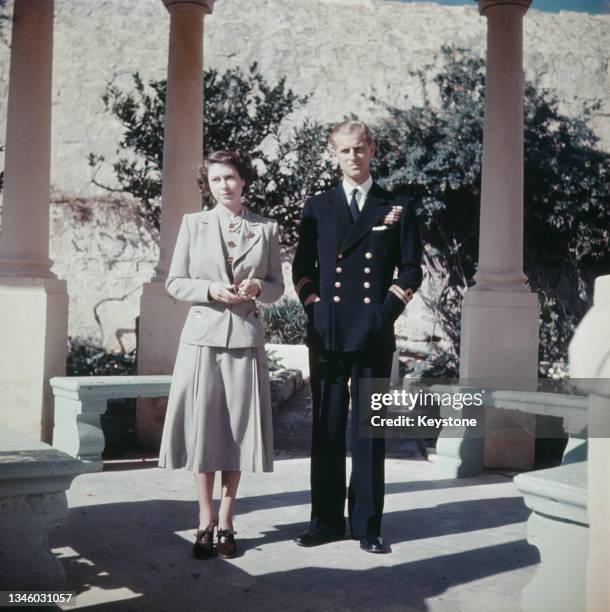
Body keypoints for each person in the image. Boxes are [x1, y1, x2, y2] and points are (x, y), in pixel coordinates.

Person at [292, 120, 422, 554]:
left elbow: (410, 269)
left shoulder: (397, 206)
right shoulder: (318, 205)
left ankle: (367, 525)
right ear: (334, 154)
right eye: (344, 151)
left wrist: (383, 314)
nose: (353, 157)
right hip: (327, 333)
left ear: (373, 151)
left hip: (373, 334)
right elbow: (303, 269)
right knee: (326, 430)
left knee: (370, 433)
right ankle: (325, 521)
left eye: (360, 149)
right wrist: (315, 308)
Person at [159, 149, 284, 560]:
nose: (224, 185)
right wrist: (210, 290)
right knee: (203, 433)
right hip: (202, 342)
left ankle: (228, 521)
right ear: (207, 185)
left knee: (237, 435)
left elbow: (277, 286)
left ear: (243, 179)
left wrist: (257, 290)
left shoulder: (266, 228)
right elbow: (175, 282)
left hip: (245, 340)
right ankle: (204, 520)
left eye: (230, 177)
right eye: (215, 180)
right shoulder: (192, 225)